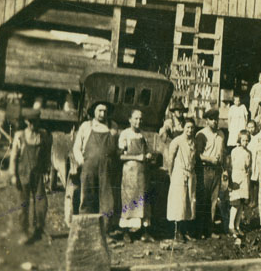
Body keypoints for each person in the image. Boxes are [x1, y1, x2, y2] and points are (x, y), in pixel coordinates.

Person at [72, 101, 118, 231]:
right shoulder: (86, 126)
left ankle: (105, 230)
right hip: (89, 167)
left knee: (107, 198)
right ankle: (86, 229)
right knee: (88, 196)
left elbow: (116, 147)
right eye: (100, 111)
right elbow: (77, 147)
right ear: (94, 111)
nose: (103, 114)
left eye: (105, 111)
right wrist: (81, 161)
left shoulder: (113, 127)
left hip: (106, 169)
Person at [8, 109, 52, 245]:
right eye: (31, 122)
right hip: (23, 174)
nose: (33, 125)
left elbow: (46, 156)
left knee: (41, 204)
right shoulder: (20, 136)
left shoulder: (43, 135)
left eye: (36, 122)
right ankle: (24, 231)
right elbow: (14, 157)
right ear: (27, 122)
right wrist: (13, 175)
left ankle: (39, 230)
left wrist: (47, 172)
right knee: (24, 204)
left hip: (38, 174)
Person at [118, 110, 154, 243]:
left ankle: (145, 233)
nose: (138, 121)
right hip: (129, 172)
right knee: (129, 200)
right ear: (130, 119)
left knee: (143, 201)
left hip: (142, 173)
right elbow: (120, 156)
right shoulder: (125, 134)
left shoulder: (142, 135)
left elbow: (146, 151)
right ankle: (126, 232)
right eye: (135, 119)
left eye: (140, 119)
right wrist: (136, 157)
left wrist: (148, 156)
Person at [195, 109, 226, 238]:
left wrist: (224, 169)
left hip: (217, 171)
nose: (215, 122)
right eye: (212, 119)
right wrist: (210, 159)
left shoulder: (221, 134)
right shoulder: (201, 135)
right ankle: (200, 230)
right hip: (205, 170)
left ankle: (210, 229)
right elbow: (197, 155)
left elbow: (223, 153)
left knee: (214, 201)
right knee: (203, 200)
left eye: (216, 119)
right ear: (207, 120)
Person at [166, 118, 198, 242]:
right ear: (184, 128)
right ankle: (177, 232)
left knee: (189, 202)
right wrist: (171, 175)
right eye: (187, 127)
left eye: (192, 128)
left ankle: (185, 231)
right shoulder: (177, 141)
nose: (190, 130)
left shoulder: (193, 142)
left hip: (190, 173)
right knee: (179, 203)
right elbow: (170, 159)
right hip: (179, 174)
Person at [229, 130, 251, 237]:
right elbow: (231, 165)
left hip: (244, 177)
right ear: (239, 140)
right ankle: (231, 226)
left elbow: (248, 166)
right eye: (243, 140)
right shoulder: (234, 151)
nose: (245, 142)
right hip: (236, 177)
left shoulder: (248, 153)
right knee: (235, 202)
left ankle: (237, 226)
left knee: (242, 203)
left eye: (247, 140)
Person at [159, 101, 187, 171]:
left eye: (181, 110)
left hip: (182, 149)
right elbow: (163, 134)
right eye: (177, 110)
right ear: (174, 112)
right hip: (172, 149)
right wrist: (165, 131)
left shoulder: (185, 123)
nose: (180, 112)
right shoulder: (169, 122)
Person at [247, 120, 261, 208]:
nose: (251, 129)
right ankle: (250, 199)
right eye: (249, 127)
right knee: (249, 181)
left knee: (256, 182)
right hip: (249, 161)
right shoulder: (247, 137)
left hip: (256, 161)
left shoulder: (258, 137)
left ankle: (255, 200)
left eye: (252, 127)